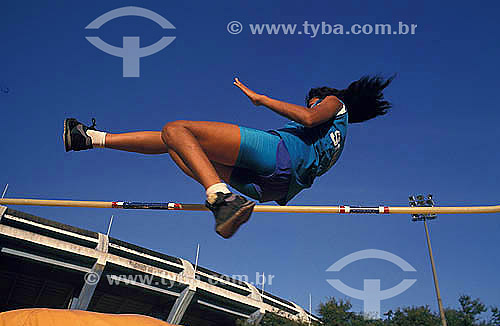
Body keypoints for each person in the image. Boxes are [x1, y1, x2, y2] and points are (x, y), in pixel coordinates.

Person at [63, 76, 394, 238]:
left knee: (177, 128)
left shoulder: (334, 104)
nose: (310, 106)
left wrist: (261, 99)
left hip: (278, 156)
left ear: (324, 97)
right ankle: (91, 139)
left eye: (313, 100)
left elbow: (308, 119)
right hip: (272, 190)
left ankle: (221, 198)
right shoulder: (340, 140)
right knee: (179, 146)